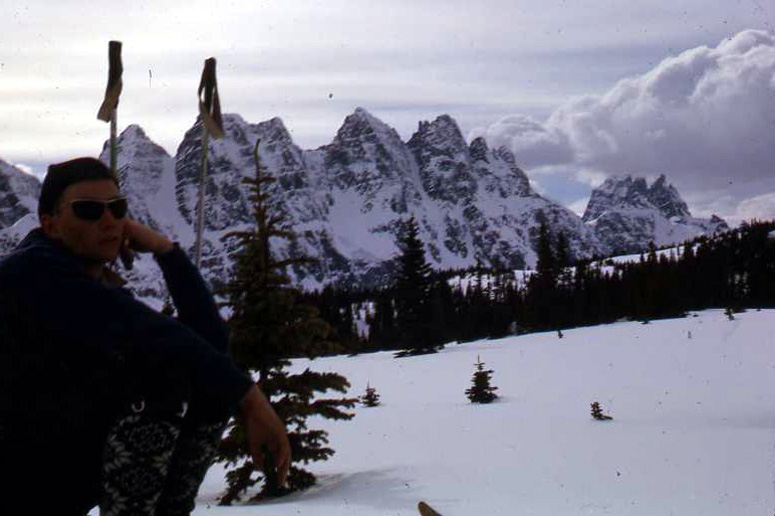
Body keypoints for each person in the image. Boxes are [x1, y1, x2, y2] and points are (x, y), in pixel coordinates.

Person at [0, 157, 291, 516]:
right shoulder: (32, 272)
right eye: (88, 210)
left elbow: (210, 342)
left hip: (45, 476)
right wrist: (250, 399)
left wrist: (165, 251)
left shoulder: (78, 277)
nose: (108, 220)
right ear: (50, 224)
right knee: (164, 377)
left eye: (117, 208)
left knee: (196, 381)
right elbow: (149, 332)